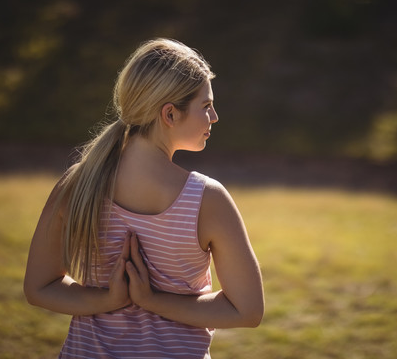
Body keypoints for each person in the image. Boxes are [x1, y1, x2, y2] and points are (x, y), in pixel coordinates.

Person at [23, 38, 264, 358]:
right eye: (206, 106)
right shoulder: (207, 199)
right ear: (170, 114)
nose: (215, 116)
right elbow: (247, 311)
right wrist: (151, 300)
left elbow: (39, 288)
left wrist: (108, 300)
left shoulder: (77, 184)